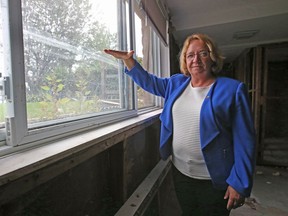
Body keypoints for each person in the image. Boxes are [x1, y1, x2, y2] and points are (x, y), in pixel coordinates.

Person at [104, 33, 256, 216]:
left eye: (203, 53)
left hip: (214, 179)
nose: (196, 60)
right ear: (185, 60)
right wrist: (129, 61)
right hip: (181, 172)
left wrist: (239, 182)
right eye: (190, 55)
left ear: (213, 57)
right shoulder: (177, 83)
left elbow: (245, 140)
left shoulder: (232, 90)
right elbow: (150, 83)